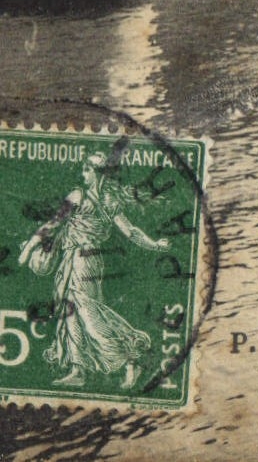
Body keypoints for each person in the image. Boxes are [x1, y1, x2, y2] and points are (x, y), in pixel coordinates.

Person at [18, 150, 169, 389]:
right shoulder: (102, 199)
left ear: (96, 173)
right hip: (78, 259)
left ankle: (131, 358)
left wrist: (27, 249)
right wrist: (156, 245)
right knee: (71, 313)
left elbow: (129, 231)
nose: (83, 173)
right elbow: (56, 224)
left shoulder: (85, 196)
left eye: (87, 169)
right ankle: (79, 369)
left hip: (83, 259)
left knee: (88, 314)